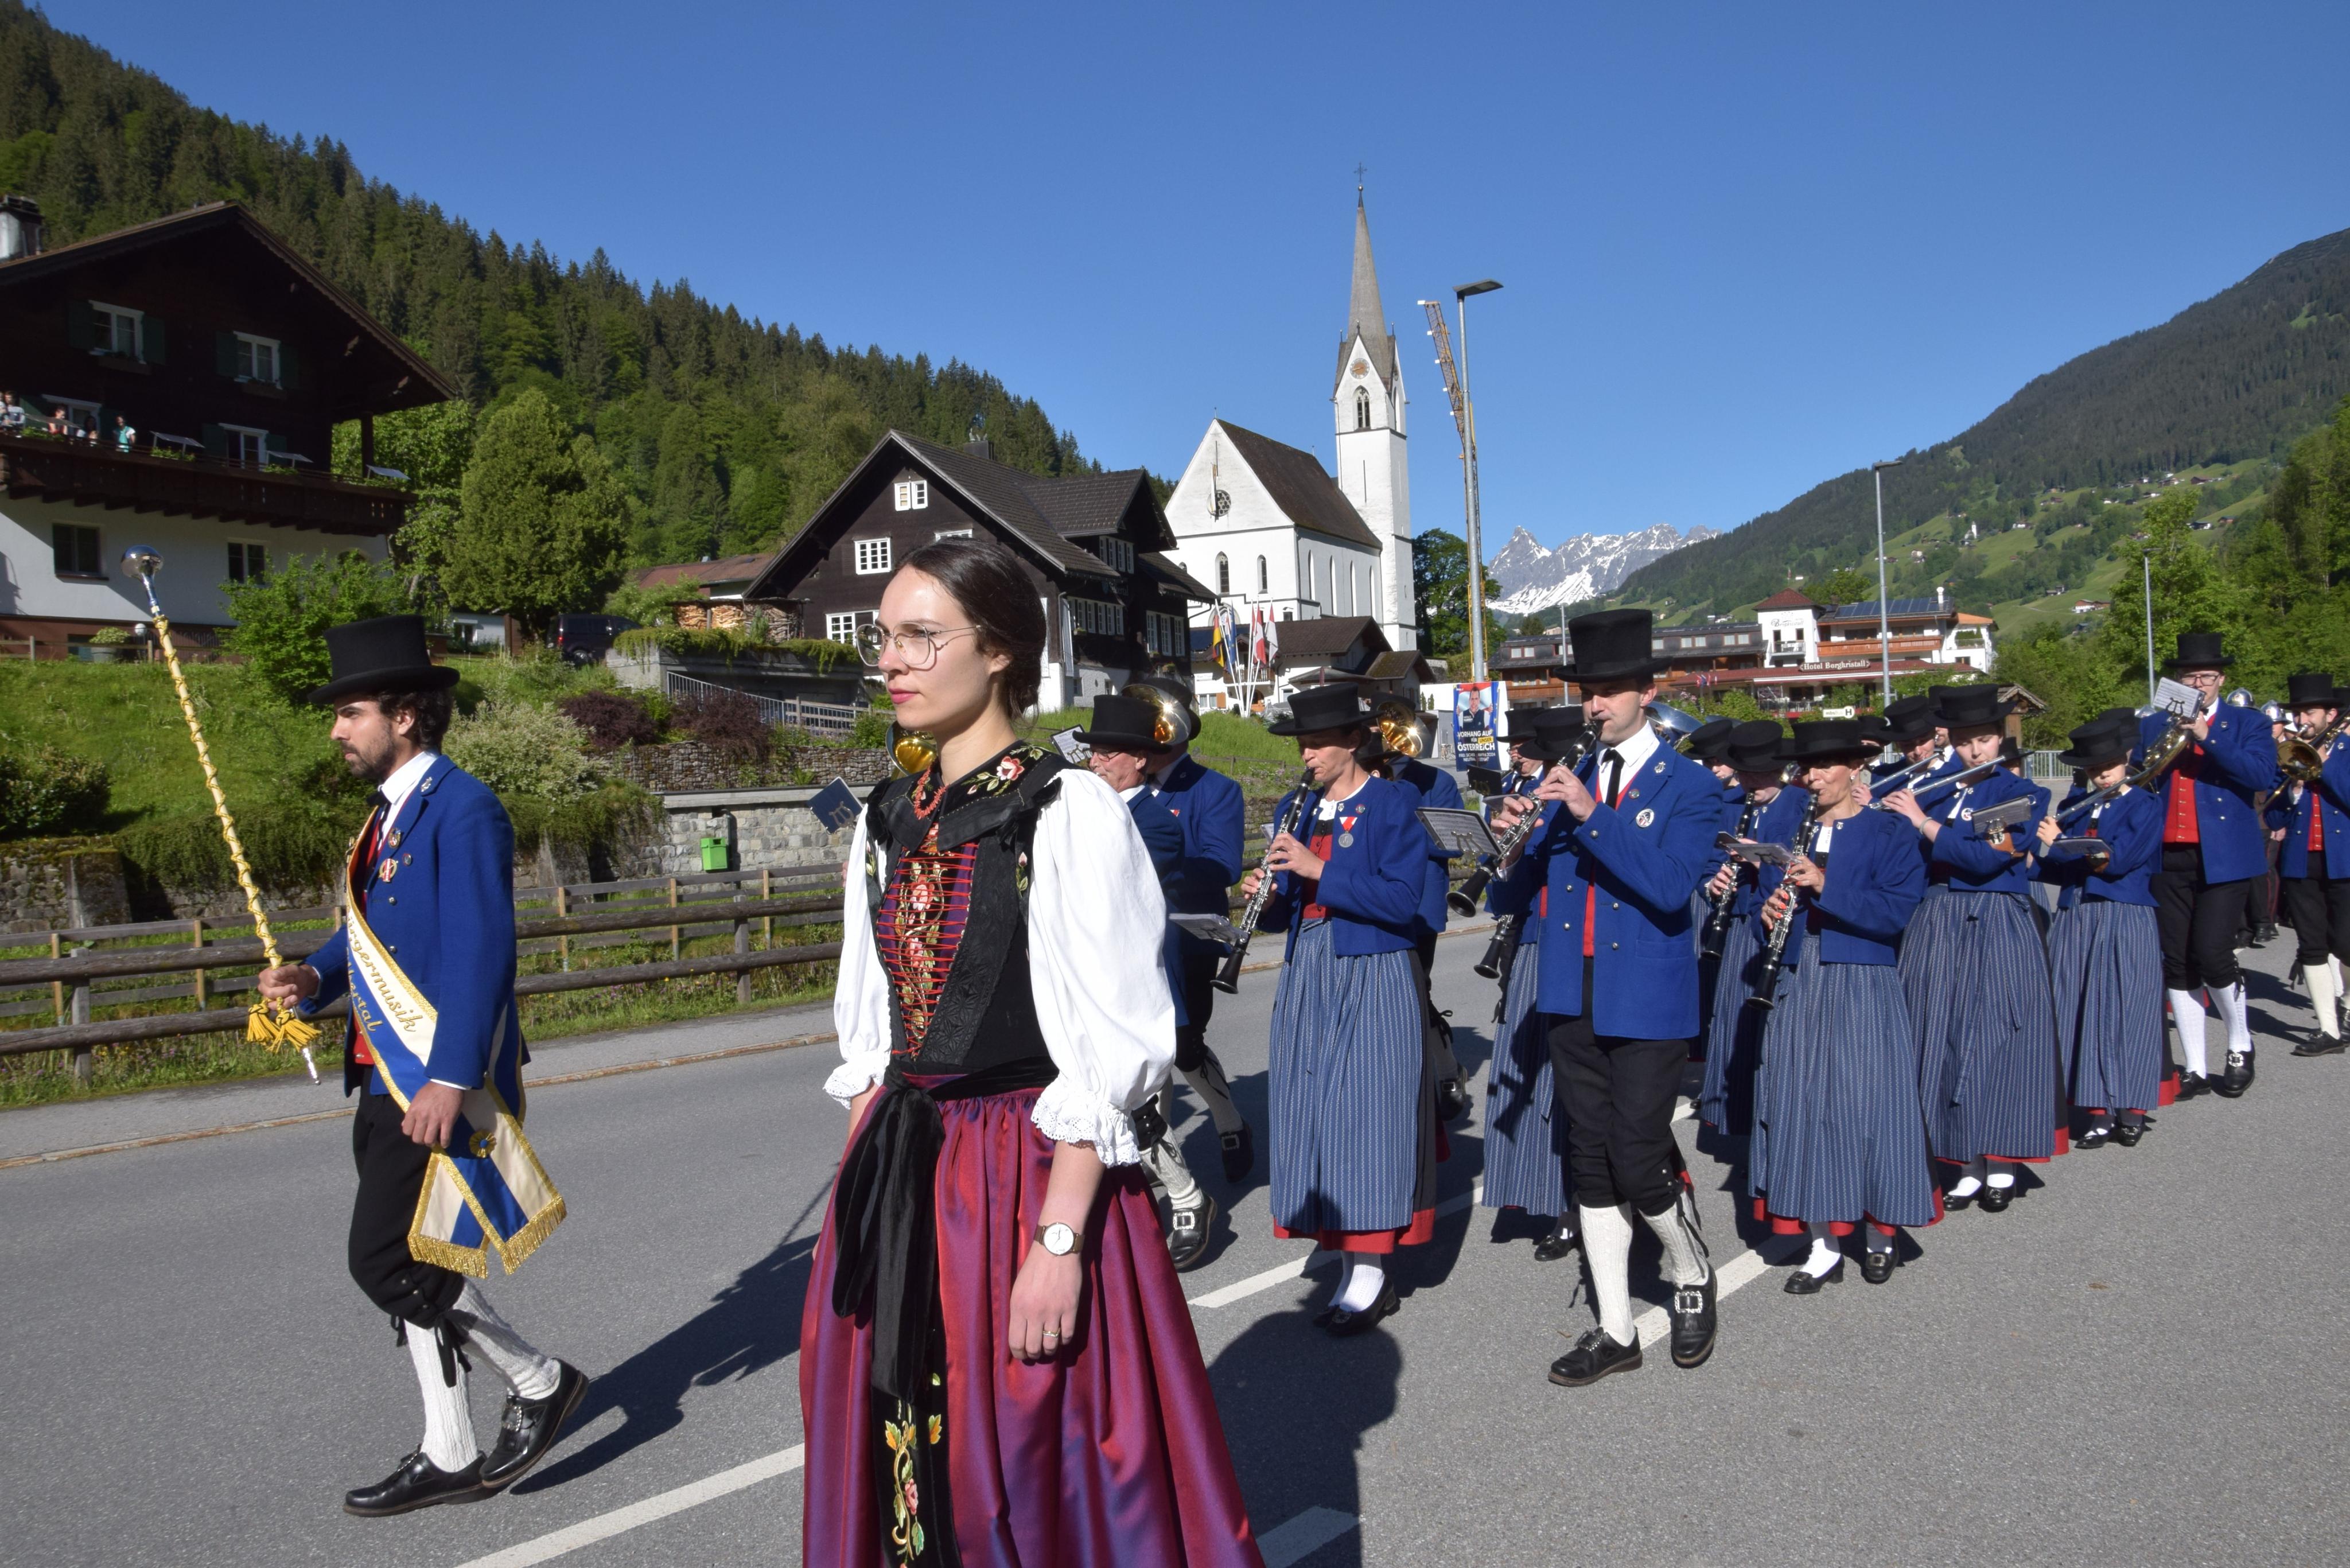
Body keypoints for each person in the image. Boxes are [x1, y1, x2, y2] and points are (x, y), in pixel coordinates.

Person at [803, 539, 1261, 1566]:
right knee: (904, 1445)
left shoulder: (1064, 810)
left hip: (1025, 1172)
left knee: (1025, 1455)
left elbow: (1111, 1046)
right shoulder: (886, 820)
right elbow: (874, 1042)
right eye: (884, 636)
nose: (893, 660)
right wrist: (855, 1209)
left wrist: (1058, 1243)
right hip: (904, 1176)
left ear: (1002, 649)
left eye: (923, 636)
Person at [255, 616, 585, 1518]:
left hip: (432, 1076)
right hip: (382, 1068)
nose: (336, 730)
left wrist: (450, 1077)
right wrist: (313, 976)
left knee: (383, 1256)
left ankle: (538, 1378)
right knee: (419, 1251)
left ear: (404, 716)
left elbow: (481, 949)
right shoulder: (388, 816)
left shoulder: (463, 806)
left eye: (350, 712)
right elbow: (373, 936)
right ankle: (450, 1447)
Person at [1493, 608, 1722, 1387]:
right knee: (1589, 1159)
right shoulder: (1570, 779)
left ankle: (1689, 1270)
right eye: (1587, 692)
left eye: (1610, 691)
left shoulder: (1690, 786)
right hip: (1570, 986)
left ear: (1646, 693)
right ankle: (1616, 1328)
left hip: (1648, 992)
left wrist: (1591, 816)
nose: (1594, 706)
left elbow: (1669, 886)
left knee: (1638, 1153)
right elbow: (1515, 894)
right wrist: (1508, 844)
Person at [1241, 682, 1435, 1336]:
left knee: (1367, 1116)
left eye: (1319, 743)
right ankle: (1345, 1252)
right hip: (1311, 969)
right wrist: (1268, 894)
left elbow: (1403, 901)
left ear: (1354, 741)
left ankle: (1371, 1273)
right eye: (1303, 743)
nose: (1308, 754)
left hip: (1373, 968)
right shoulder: (1297, 808)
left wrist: (1318, 870)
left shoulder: (1392, 803)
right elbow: (1288, 907)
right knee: (1316, 1112)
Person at [1748, 720, 1932, 1289]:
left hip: (1861, 977)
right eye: (1807, 767)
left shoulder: (1888, 831)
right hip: (1798, 976)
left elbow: (1896, 911)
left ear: (1854, 768)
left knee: (1869, 1106)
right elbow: (1760, 905)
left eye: (1825, 765)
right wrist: (1766, 915)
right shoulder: (1788, 829)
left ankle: (1880, 1233)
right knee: (1801, 1104)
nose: (1813, 776)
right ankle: (1822, 1243)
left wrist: (1826, 886)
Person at [1883, 683, 2059, 1213]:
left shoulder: (2023, 792)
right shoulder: (1936, 789)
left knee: (1998, 1036)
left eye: (1983, 739)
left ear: (1999, 738)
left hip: (1998, 918)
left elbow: (1988, 859)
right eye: (1964, 741)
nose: (1975, 750)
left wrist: (1923, 822)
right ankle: (1965, 1160)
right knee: (1943, 1034)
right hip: (1937, 917)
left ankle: (2002, 1161)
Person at [1079, 692, 1218, 1270]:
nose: (1095, 762)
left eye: (1107, 754)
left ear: (1140, 759)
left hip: (1132, 982)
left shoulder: (1156, 825)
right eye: (1092, 753)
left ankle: (1186, 1196)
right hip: (1086, 975)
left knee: (1131, 1100)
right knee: (1091, 1099)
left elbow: (1113, 892)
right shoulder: (1089, 810)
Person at [2135, 633, 2281, 1098]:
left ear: (2221, 679)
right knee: (2177, 962)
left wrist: (2205, 734)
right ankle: (2195, 1066)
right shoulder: (2154, 723)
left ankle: (2240, 1043)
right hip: (2167, 854)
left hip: (2226, 856)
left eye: (2207, 676)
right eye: (2190, 676)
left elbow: (2261, 776)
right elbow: (2139, 779)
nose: (2199, 683)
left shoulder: (2247, 722)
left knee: (2213, 954)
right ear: (2178, 681)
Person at [1131, 674, 1255, 1180]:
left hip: (1185, 939)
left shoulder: (1215, 788)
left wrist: (1156, 863)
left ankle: (1229, 1120)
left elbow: (1223, 865)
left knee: (1184, 1047)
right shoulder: (1121, 787)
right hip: (1131, 937)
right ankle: (1160, 1158)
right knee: (1145, 1052)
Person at [2036, 714, 2169, 1146]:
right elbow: (2060, 867)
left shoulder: (2145, 804)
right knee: (2077, 1008)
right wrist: (2032, 854)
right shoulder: (2077, 804)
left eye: (2109, 765)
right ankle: (2096, 1111)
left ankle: (2132, 1109)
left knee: (2128, 1010)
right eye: (2094, 768)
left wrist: (2062, 844)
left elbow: (2119, 860)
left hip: (2125, 913)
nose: (2103, 774)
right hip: (2077, 913)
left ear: (2125, 758)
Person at [1479, 707, 1582, 1260]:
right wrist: (1509, 856)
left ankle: (1582, 1205)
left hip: (1588, 952)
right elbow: (1504, 900)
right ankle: (1549, 1196)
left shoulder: (1595, 801)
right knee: (1528, 1079)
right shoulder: (1528, 803)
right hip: (1536, 947)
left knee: (1576, 1088)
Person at [1696, 721, 1807, 1146]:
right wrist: (1713, 884)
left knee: (1776, 1030)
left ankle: (1776, 1124)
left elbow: (1804, 863)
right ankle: (1740, 1123)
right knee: (1734, 1022)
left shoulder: (1800, 804)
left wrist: (1761, 863)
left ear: (1779, 770)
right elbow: (1707, 864)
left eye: (1760, 775)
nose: (1752, 783)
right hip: (1740, 925)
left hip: (1781, 924)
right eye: (1745, 774)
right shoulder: (1730, 805)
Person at [1378, 705, 1472, 1122]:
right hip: (1372, 898)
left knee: (1417, 991)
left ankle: (1447, 1068)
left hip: (1419, 905)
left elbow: (1454, 843)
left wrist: (1400, 823)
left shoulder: (1438, 781)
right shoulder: (1364, 775)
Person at [2270, 673, 2350, 1054]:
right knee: (2312, 945)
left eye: (2310, 712)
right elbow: (2272, 816)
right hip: (2301, 862)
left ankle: (2347, 1005)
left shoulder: (2347, 749)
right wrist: (2293, 792)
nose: (2303, 719)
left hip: (2344, 860)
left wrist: (2325, 766)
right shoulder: (2289, 754)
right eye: (2298, 713)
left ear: (2331, 714)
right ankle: (2328, 1031)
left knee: (2347, 942)